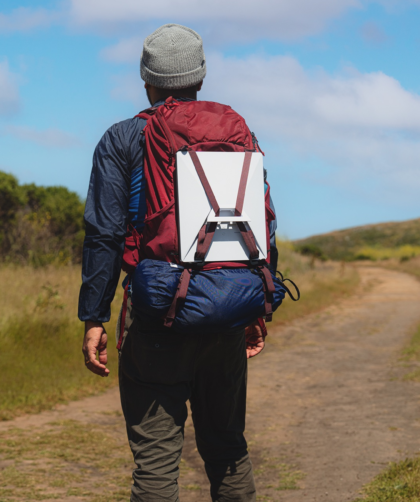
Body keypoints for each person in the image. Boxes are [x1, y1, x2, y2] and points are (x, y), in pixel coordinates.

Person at [79, 23, 278, 502]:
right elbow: (261, 222)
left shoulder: (123, 139)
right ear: (201, 76)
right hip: (227, 311)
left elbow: (104, 234)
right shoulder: (236, 133)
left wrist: (94, 315)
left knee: (155, 465)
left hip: (156, 316)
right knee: (228, 449)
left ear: (145, 78)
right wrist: (254, 306)